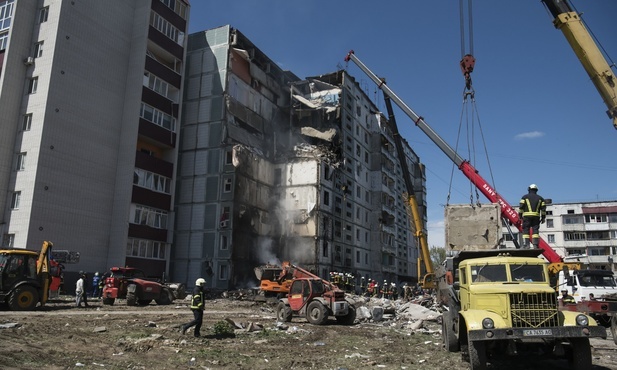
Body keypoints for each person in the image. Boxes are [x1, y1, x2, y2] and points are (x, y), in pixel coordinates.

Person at [519, 184, 546, 249]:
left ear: (529, 189)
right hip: (536, 217)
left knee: (526, 230)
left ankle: (526, 245)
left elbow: (521, 207)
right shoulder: (541, 198)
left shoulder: (524, 197)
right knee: (535, 231)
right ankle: (535, 245)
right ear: (536, 190)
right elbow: (543, 210)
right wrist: (543, 218)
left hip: (527, 217)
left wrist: (520, 215)